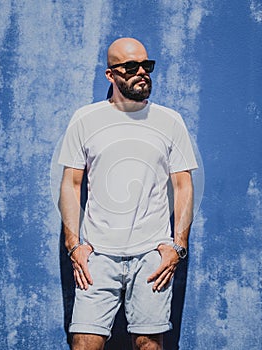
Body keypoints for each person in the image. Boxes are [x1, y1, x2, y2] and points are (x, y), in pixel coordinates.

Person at [58, 37, 198, 350]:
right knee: (84, 342)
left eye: (146, 65)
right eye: (131, 66)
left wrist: (177, 246)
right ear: (111, 75)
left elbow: (183, 185)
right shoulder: (86, 118)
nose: (142, 73)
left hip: (152, 256)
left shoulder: (169, 120)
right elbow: (71, 184)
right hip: (97, 255)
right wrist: (75, 246)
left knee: (149, 343)